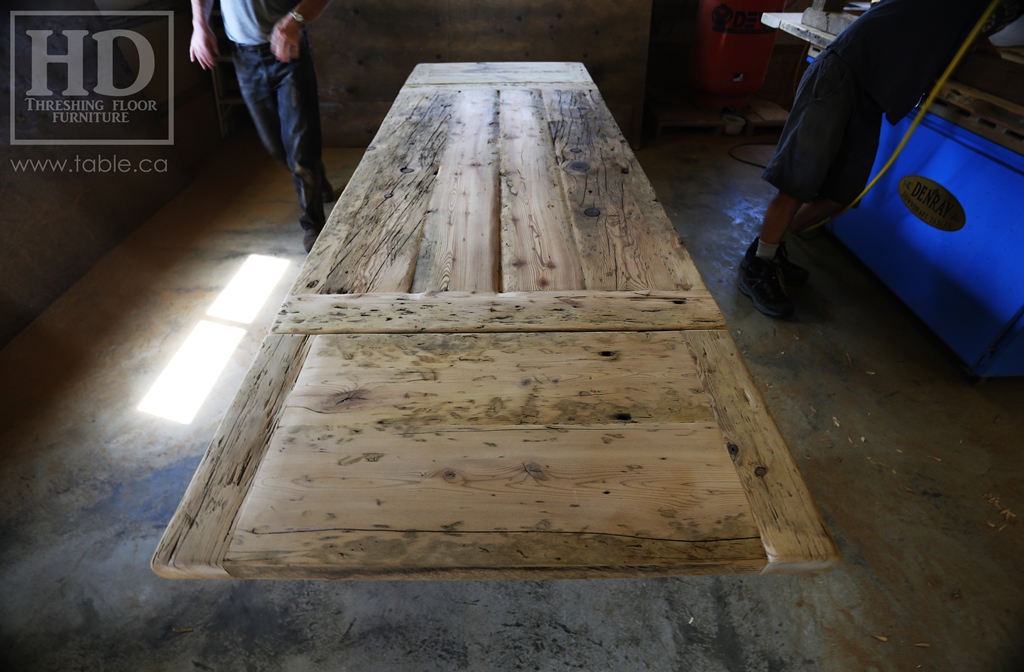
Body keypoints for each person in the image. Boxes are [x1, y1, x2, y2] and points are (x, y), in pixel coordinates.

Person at [740, 0, 1023, 317]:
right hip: (846, 68)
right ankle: (759, 265)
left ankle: (770, 247)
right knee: (797, 182)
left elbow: (976, 37)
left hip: (873, 94)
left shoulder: (1005, 9)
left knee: (844, 193)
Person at [189, 0, 335, 253]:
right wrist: (199, 24)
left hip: (289, 52)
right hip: (244, 57)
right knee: (279, 149)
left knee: (300, 153)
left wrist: (295, 19)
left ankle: (314, 224)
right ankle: (316, 177)